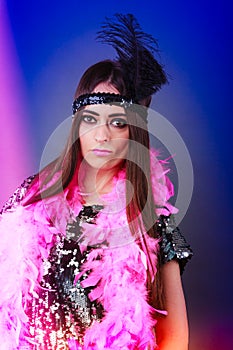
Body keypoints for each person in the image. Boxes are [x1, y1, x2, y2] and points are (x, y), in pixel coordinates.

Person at [0, 14, 193, 350]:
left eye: (117, 123)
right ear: (76, 125)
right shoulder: (31, 199)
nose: (102, 135)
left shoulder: (153, 222)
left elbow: (175, 336)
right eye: (91, 119)